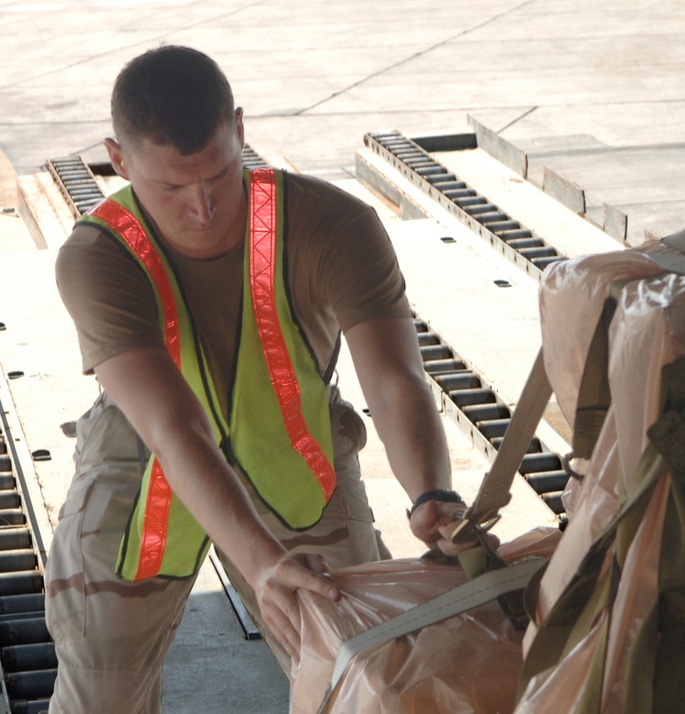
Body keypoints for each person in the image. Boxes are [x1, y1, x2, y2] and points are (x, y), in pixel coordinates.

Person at [45, 45, 468, 712]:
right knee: (101, 676)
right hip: (146, 462)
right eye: (171, 188)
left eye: (218, 175)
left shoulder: (333, 224)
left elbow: (393, 378)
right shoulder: (99, 256)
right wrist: (260, 560)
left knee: (361, 668)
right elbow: (170, 425)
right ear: (119, 161)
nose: (204, 210)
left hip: (295, 457)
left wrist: (431, 490)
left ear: (240, 131)